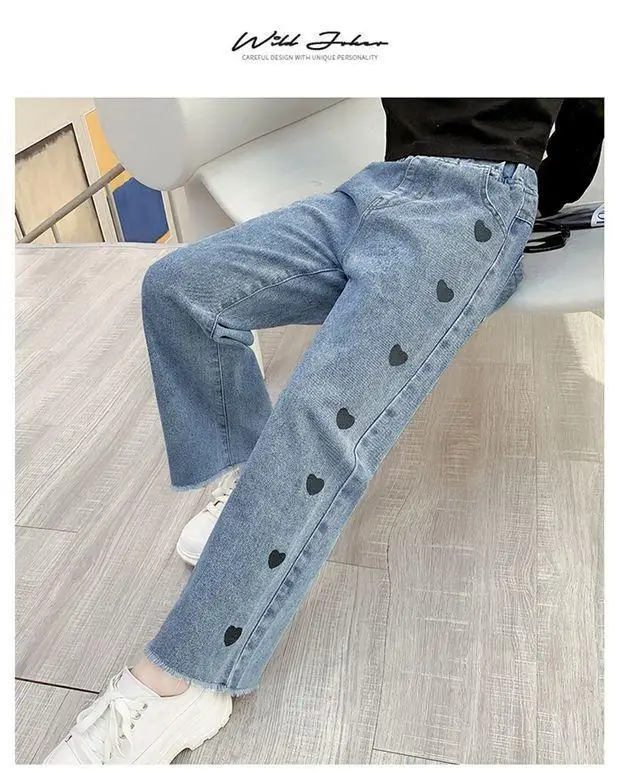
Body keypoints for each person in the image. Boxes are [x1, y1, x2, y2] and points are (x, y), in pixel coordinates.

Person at [43, 98, 603, 764]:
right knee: (180, 287)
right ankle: (253, 492)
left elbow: (584, 120)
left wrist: (522, 206)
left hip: (474, 204)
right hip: (379, 187)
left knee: (321, 414)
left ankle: (186, 679)